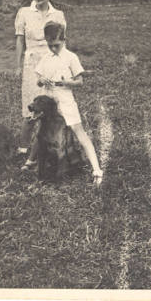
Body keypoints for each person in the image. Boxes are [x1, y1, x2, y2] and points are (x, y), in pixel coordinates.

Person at [35, 21, 103, 186]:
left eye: (56, 45)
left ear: (64, 40)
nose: (53, 49)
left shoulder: (71, 57)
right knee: (42, 133)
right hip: (48, 100)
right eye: (50, 45)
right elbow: (38, 81)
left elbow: (80, 81)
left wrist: (66, 83)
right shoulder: (45, 58)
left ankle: (96, 169)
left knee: (78, 131)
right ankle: (34, 163)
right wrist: (41, 80)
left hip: (65, 99)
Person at [14, 0, 66, 167]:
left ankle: (50, 144)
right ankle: (23, 148)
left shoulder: (58, 15)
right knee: (31, 106)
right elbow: (19, 40)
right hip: (32, 64)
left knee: (52, 105)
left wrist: (62, 65)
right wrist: (18, 65)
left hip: (51, 62)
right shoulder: (24, 13)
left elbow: (62, 42)